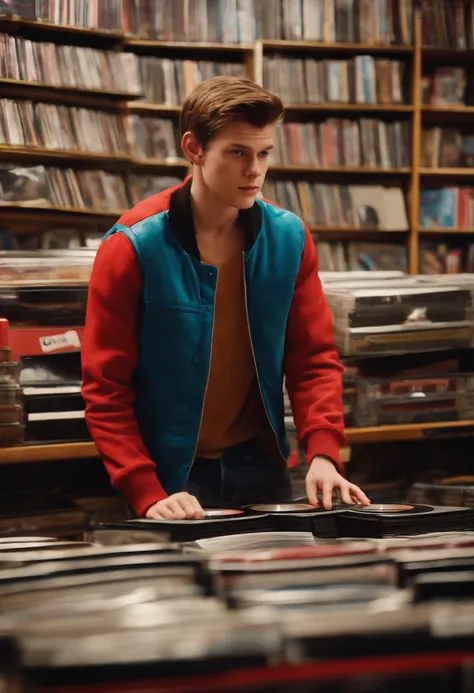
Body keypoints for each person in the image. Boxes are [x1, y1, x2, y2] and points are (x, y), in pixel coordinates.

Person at [81, 76, 370, 521]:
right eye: (237, 152)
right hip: (170, 478)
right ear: (194, 149)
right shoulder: (132, 245)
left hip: (261, 465)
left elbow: (313, 359)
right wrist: (146, 489)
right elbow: (106, 386)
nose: (254, 170)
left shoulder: (289, 237)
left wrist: (325, 454)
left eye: (264, 154)